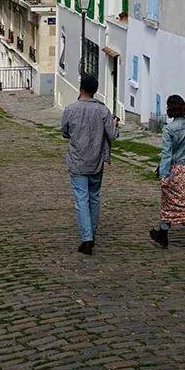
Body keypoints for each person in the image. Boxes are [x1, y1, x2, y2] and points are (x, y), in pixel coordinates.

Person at [61, 73, 120, 255]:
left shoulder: (70, 109)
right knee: (94, 197)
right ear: (95, 91)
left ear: (81, 89)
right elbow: (113, 135)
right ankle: (91, 234)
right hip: (97, 160)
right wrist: (115, 124)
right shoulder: (103, 110)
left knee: (81, 199)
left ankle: (86, 238)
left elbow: (65, 132)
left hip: (78, 160)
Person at [150, 94, 185, 254]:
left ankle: (163, 233)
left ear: (169, 109)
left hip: (174, 170)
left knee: (169, 202)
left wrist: (163, 174)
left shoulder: (168, 129)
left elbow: (167, 154)